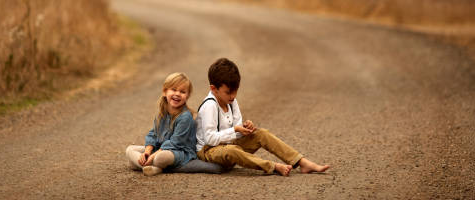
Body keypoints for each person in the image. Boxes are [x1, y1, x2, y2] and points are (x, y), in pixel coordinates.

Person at [196, 58, 330, 176]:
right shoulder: (210, 105)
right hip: (209, 151)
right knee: (232, 150)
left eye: (236, 91)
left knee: (261, 134)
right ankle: (272, 167)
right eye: (228, 92)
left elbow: (237, 133)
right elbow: (210, 138)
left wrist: (244, 129)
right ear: (214, 89)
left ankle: (302, 162)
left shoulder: (232, 102)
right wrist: (235, 130)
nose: (233, 96)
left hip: (228, 147)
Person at [126, 72, 197, 176]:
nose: (177, 94)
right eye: (173, 89)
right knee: (130, 149)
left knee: (161, 158)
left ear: (187, 96)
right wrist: (147, 152)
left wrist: (154, 155)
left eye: (182, 92)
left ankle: (143, 164)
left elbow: (175, 143)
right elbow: (153, 134)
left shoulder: (185, 117)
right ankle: (154, 167)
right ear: (165, 91)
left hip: (178, 152)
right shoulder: (162, 113)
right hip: (159, 148)